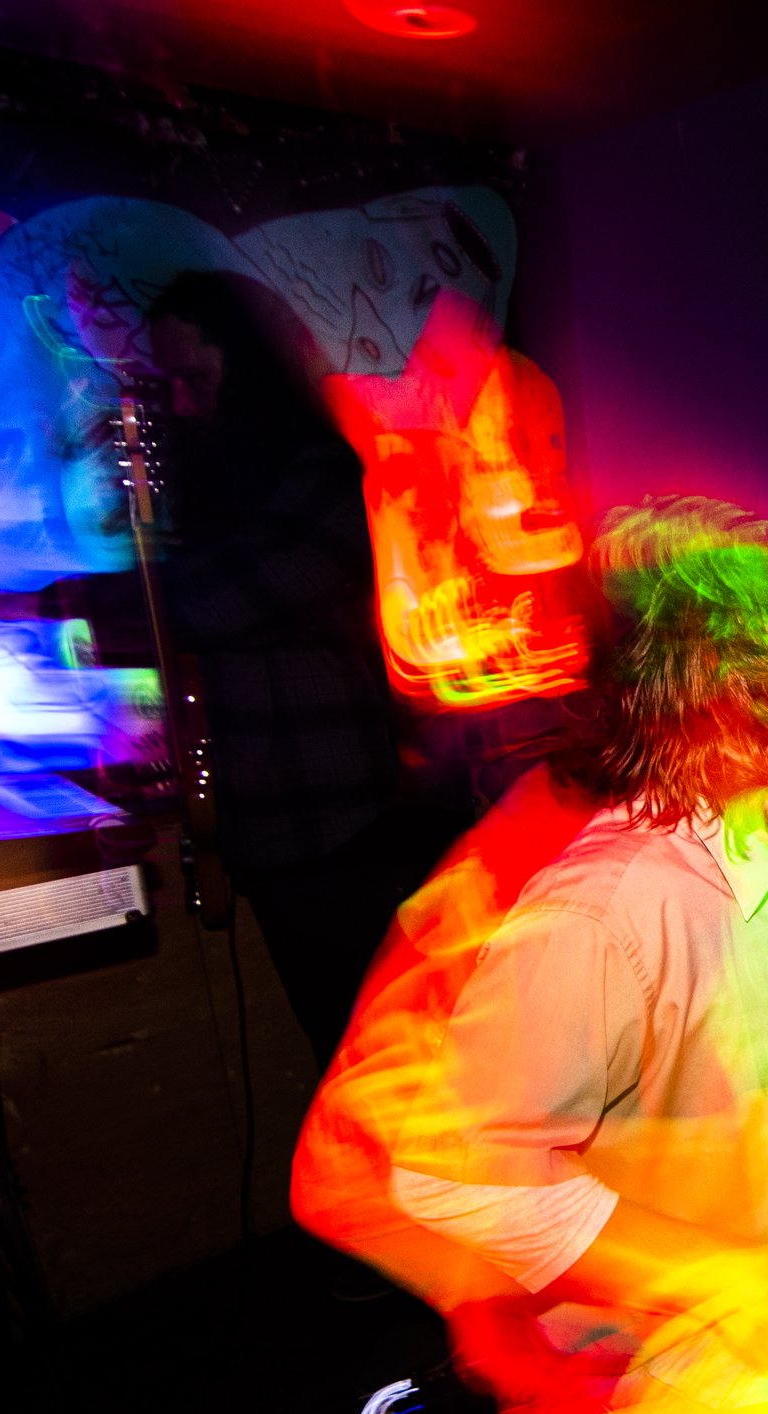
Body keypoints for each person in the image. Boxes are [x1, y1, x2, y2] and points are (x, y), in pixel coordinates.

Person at [292, 497, 768, 1414]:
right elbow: (449, 1175)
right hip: (691, 1328)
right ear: (740, 716)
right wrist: (724, 1276)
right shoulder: (602, 916)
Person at [144, 272, 466, 1066]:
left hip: (345, 827)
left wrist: (105, 589)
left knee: (398, 1066)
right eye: (169, 384)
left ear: (244, 365)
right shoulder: (219, 491)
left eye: (195, 379)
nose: (181, 405)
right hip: (272, 836)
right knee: (343, 1061)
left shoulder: (322, 475)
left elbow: (222, 602)